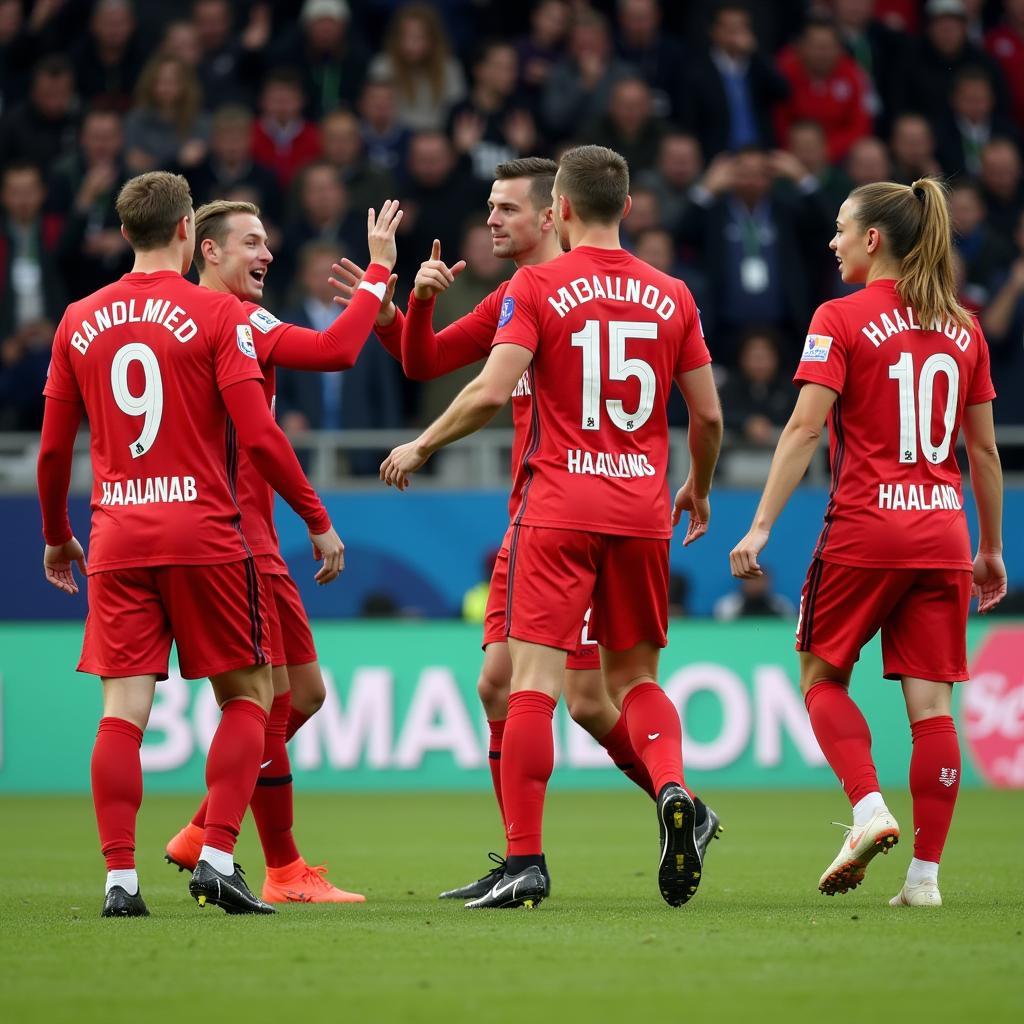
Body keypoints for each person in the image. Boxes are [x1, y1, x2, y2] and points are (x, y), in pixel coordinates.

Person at [335, 156, 723, 903]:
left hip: (555, 510)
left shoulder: (537, 291)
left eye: (506, 208)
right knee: (519, 685)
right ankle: (672, 802)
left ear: (556, 211)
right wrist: (406, 304)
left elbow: (477, 388)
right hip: (631, 512)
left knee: (540, 692)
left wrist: (422, 444)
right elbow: (426, 359)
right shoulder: (661, 293)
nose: (491, 221)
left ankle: (529, 860)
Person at [35, 171, 345, 917]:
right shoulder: (216, 314)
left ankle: (119, 882)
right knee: (249, 698)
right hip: (207, 536)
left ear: (126, 230)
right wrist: (314, 516)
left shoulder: (78, 318)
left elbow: (51, 453)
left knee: (122, 715)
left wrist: (55, 536)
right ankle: (215, 857)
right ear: (185, 232)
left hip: (117, 536)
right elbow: (262, 432)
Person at [729, 177, 1006, 908]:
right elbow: (982, 453)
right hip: (944, 532)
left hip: (864, 530)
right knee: (933, 712)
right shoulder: (964, 326)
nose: (834, 241)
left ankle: (867, 809)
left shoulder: (840, 316)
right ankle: (925, 879)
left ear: (874, 239)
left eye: (843, 230)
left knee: (821, 678)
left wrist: (760, 525)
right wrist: (991, 548)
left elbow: (803, 428)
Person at [163, 196, 401, 903]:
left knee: (302, 693)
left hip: (246, 530)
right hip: (239, 535)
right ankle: (279, 865)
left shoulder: (194, 319)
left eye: (267, 243)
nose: (265, 255)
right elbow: (335, 350)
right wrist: (379, 273)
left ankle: (208, 825)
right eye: (251, 243)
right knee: (269, 700)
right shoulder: (231, 318)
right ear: (208, 249)